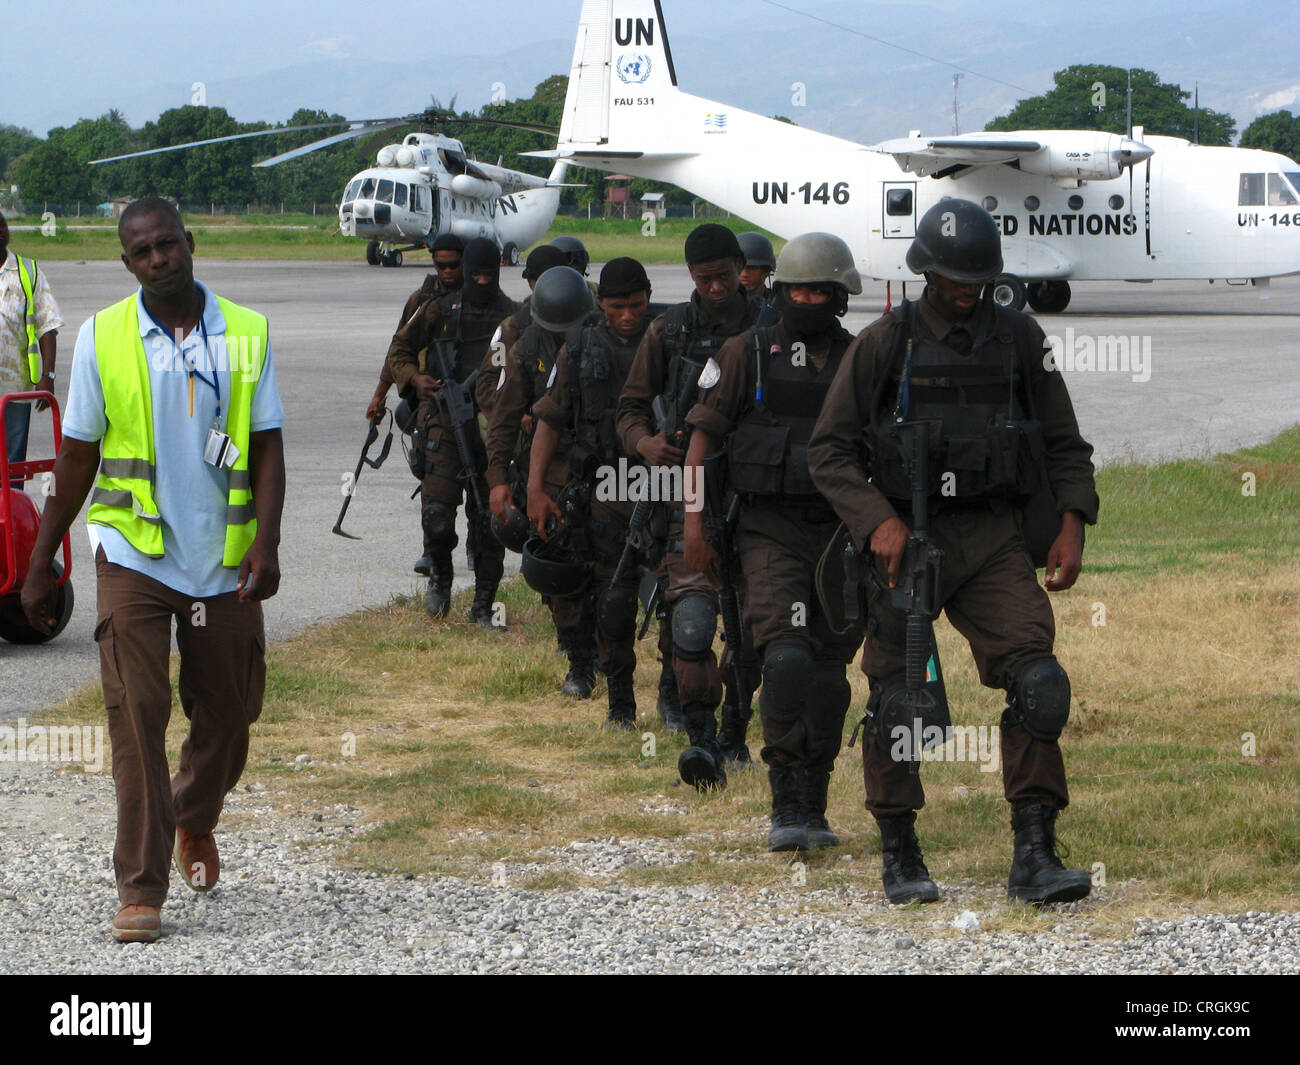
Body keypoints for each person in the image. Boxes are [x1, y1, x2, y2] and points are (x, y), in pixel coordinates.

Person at [807, 198, 1099, 904]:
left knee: (1039, 683)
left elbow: (1063, 440)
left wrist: (1072, 520)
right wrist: (876, 520)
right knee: (902, 697)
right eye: (950, 279)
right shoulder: (887, 342)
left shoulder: (1020, 338)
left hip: (994, 534)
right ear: (925, 274)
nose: (964, 292)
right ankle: (900, 850)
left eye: (974, 279)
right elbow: (829, 449)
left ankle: (1034, 851)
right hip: (907, 537)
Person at [21, 197, 285, 943]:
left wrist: (266, 542)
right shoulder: (105, 337)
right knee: (136, 717)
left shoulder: (245, 332)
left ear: (190, 242)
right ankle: (140, 888)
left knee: (230, 713)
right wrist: (40, 563)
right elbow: (76, 455)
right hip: (134, 555)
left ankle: (193, 815)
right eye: (142, 252)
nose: (158, 259)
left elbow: (265, 446)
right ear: (127, 262)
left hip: (224, 556)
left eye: (168, 244)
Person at [683, 232, 863, 850]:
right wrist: (693, 527)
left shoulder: (859, 358)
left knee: (829, 675)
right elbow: (701, 444)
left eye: (821, 290)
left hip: (841, 538)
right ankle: (785, 800)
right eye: (798, 290)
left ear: (839, 297)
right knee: (784, 658)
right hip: (768, 529)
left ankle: (817, 799)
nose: (808, 299)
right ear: (780, 292)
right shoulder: (747, 353)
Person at [616, 223, 760, 789]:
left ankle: (736, 732)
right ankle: (701, 740)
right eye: (704, 279)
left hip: (754, 497)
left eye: (724, 276)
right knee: (694, 620)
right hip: (683, 494)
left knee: (751, 629)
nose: (716, 287)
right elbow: (628, 408)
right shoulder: (668, 331)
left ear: (740, 269)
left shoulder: (768, 326)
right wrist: (644, 442)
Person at [527, 257, 655, 726]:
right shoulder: (579, 347)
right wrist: (535, 487)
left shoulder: (667, 339)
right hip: (604, 486)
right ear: (600, 303)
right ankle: (617, 702)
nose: (627, 316)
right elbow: (550, 418)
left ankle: (677, 703)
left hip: (665, 485)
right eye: (617, 306)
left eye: (636, 305)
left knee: (677, 600)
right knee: (610, 598)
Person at [388, 236, 516, 621]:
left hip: (491, 429)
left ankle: (484, 603)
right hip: (442, 423)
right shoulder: (437, 310)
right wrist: (415, 380)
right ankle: (440, 578)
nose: (480, 282)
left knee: (489, 521)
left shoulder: (511, 317)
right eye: (473, 274)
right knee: (438, 515)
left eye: (487, 275)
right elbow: (399, 350)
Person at [485, 264, 597, 660]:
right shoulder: (526, 347)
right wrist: (498, 479)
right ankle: (572, 644)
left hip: (603, 455)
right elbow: (503, 417)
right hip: (549, 457)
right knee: (556, 545)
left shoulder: (602, 337)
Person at [365, 233, 464, 577]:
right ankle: (431, 549)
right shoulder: (422, 300)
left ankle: (477, 543)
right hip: (430, 401)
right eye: (442, 265)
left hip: (470, 401)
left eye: (454, 265)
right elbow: (398, 349)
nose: (448, 271)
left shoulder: (479, 298)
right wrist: (382, 394)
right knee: (432, 472)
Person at [0, 209, 62, 472]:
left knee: (12, 468)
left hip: (15, 392)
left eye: (2, 224)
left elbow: (48, 326)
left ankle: (10, 514)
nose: (1, 230)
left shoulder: (27, 271)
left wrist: (47, 376)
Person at [736, 231, 777, 326]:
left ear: (766, 270)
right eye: (739, 267)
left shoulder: (779, 305)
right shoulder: (720, 305)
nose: (744, 274)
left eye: (752, 268)